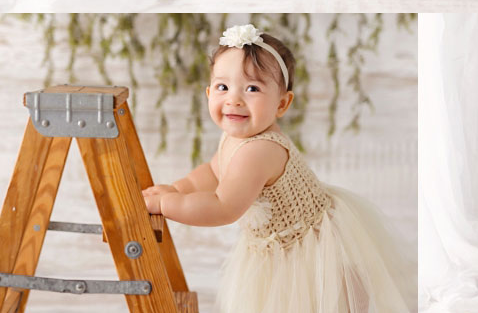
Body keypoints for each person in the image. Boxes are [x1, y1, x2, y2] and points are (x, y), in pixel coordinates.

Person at [142, 23, 415, 312]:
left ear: (282, 104)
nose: (234, 99)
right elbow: (211, 173)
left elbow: (223, 207)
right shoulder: (235, 135)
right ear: (209, 93)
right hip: (277, 248)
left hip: (312, 251)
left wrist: (168, 203)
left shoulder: (260, 150)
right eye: (223, 87)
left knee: (329, 304)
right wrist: (179, 188)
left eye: (252, 88)